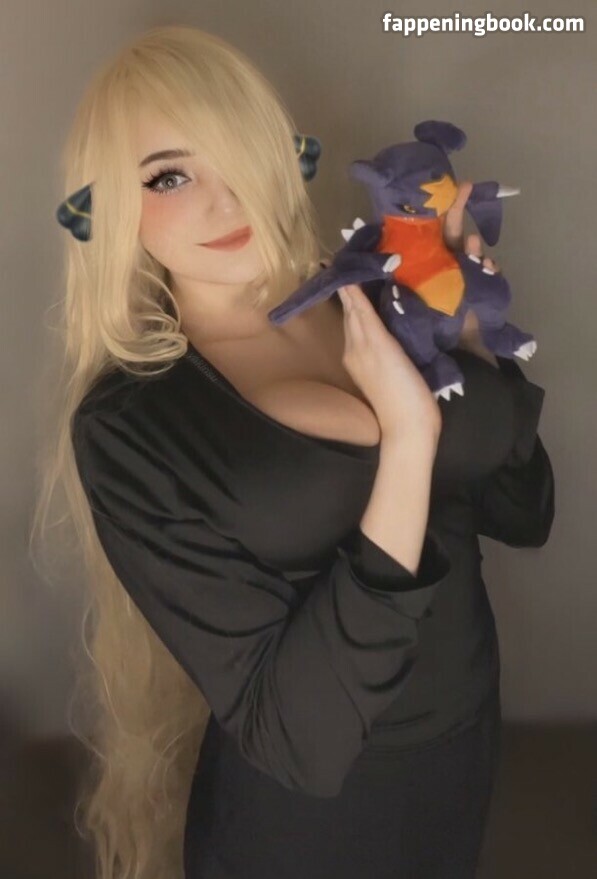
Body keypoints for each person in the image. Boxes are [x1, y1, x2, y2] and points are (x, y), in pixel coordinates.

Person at [32, 23, 555, 879]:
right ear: (107, 206)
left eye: (241, 152)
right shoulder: (132, 423)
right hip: (310, 821)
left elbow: (524, 509)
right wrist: (408, 440)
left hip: (461, 752)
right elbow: (297, 736)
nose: (226, 197)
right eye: (169, 176)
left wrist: (468, 337)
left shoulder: (370, 296)